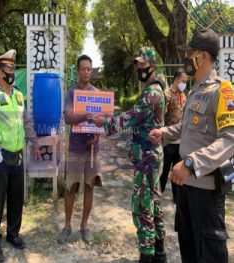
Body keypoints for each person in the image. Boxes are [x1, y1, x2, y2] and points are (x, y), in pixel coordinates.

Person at [149, 29, 233, 263]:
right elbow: (185, 129)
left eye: (192, 52)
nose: (188, 58)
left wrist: (189, 163)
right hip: (185, 186)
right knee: (189, 251)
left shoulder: (222, 90)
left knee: (208, 255)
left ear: (203, 56)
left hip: (205, 192)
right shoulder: (195, 91)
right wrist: (163, 133)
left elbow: (229, 140)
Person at [94, 47, 167, 263]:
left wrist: (104, 123)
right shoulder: (152, 90)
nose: (139, 68)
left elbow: (130, 118)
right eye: (138, 64)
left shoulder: (152, 93)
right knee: (153, 203)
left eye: (142, 65)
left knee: (143, 207)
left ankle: (148, 256)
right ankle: (160, 253)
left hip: (148, 159)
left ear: (152, 66)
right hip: (150, 158)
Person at [0, 50, 40, 263]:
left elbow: (27, 121)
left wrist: (34, 142)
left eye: (14, 69)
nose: (12, 73)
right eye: (8, 70)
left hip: (17, 155)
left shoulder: (18, 94)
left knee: (16, 198)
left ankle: (13, 234)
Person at [57, 55, 102, 245]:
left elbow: (103, 119)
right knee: (71, 187)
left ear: (91, 71)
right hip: (75, 148)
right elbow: (68, 117)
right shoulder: (71, 93)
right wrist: (86, 115)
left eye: (89, 69)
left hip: (93, 148)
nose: (86, 72)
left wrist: (97, 133)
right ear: (78, 71)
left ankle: (84, 226)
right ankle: (67, 226)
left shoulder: (97, 93)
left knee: (90, 186)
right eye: (83, 68)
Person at [160, 68, 187, 203]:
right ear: (176, 80)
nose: (184, 84)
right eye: (183, 81)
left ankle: (177, 200)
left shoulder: (184, 95)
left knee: (177, 171)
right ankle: (157, 197)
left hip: (180, 142)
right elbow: (161, 116)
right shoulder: (167, 94)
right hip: (168, 141)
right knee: (164, 172)